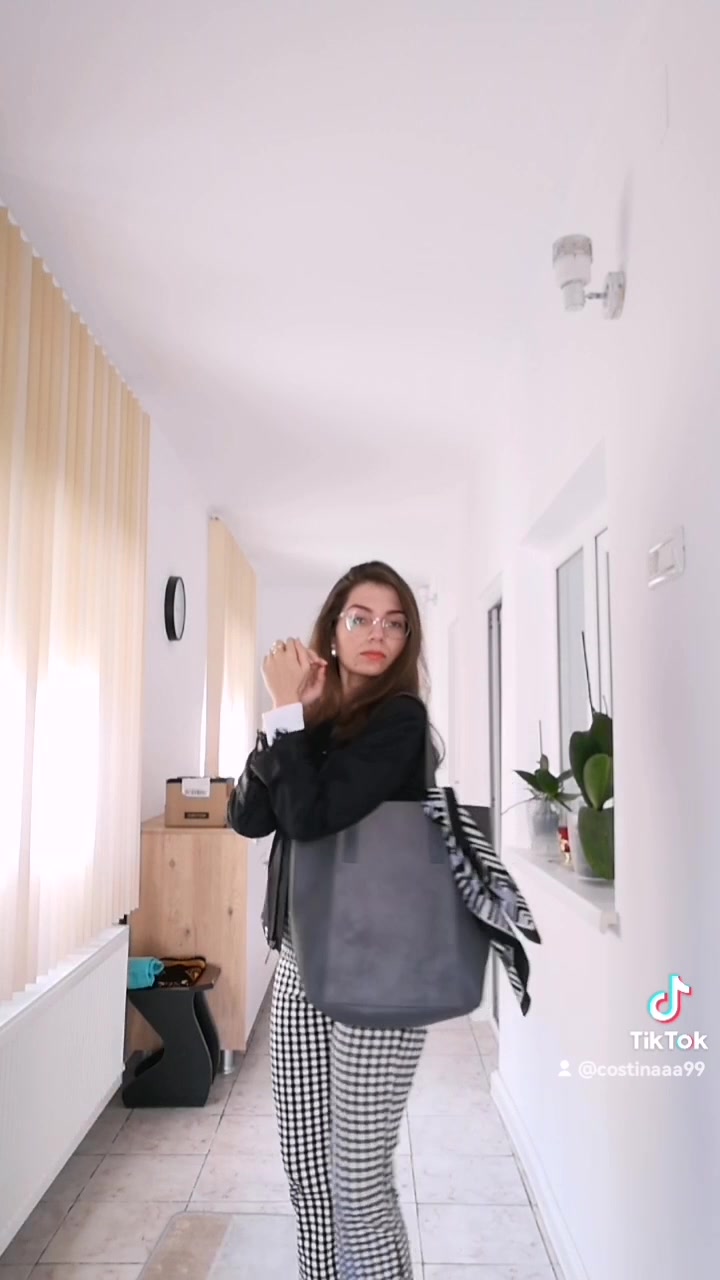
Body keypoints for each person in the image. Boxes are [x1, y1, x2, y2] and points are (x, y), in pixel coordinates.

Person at [228, 560, 436, 1280]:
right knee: (311, 1186)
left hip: (380, 974)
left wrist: (292, 718)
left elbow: (313, 817)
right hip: (299, 964)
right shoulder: (310, 723)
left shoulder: (401, 722)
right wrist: (288, 715)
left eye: (394, 622)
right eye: (360, 618)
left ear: (406, 639)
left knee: (358, 1190)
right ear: (333, 631)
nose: (378, 633)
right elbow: (248, 817)